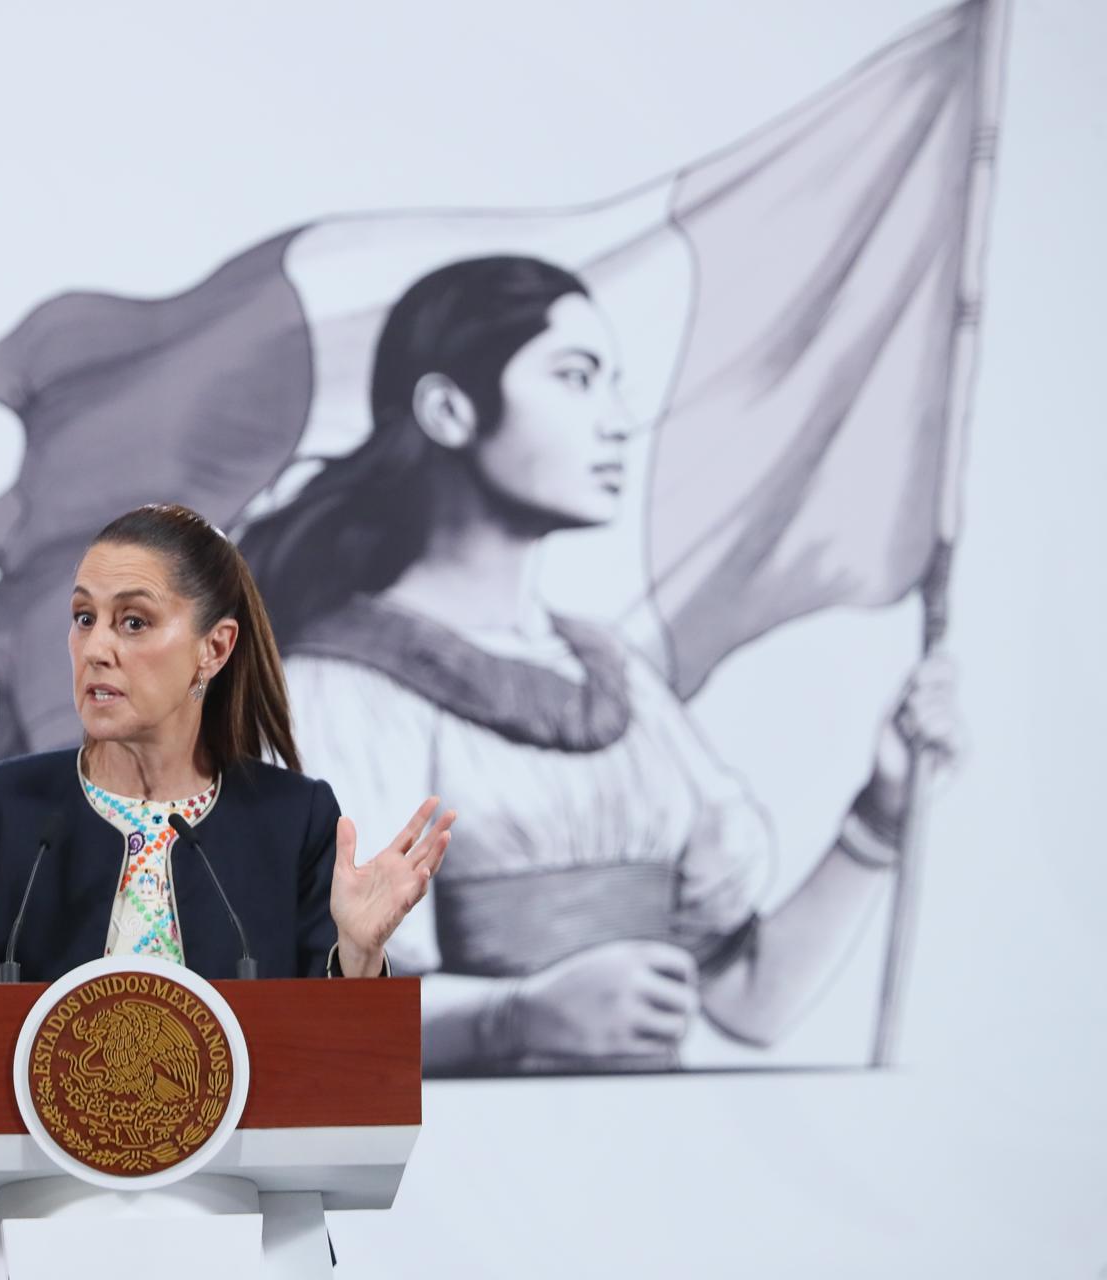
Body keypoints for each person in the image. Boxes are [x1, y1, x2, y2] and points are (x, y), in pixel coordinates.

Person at [237, 256, 961, 1074]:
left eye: (613, 383)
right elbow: (316, 1025)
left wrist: (884, 812)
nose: (617, 420)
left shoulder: (616, 679)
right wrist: (513, 1019)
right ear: (449, 409)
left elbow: (748, 1002)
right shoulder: (341, 692)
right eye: (576, 378)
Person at [0, 503, 454, 984]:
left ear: (215, 647)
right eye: (84, 617)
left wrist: (361, 955)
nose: (96, 650)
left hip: (234, 1170)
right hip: (34, 1169)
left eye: (134, 622)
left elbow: (333, 1076)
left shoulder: (292, 821)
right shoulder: (1, 808)